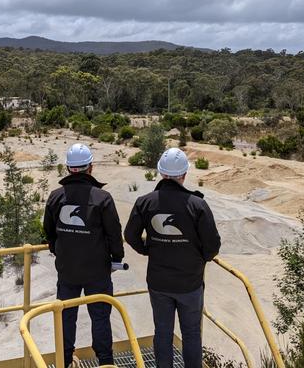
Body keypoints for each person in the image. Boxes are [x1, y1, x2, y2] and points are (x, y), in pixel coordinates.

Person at [124, 147, 221, 368]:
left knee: (163, 332)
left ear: (161, 173)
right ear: (184, 174)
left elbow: (130, 235)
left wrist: (147, 249)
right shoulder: (197, 205)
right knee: (191, 334)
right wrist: (199, 259)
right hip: (190, 283)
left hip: (159, 283)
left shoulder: (145, 202)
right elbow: (212, 246)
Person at [43, 143, 124, 367]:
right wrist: (116, 259)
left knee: (66, 316)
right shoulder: (102, 198)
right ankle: (106, 362)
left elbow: (48, 230)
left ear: (68, 168)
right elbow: (114, 232)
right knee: (100, 316)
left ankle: (66, 360)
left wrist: (56, 250)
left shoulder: (55, 196)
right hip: (97, 270)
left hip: (67, 270)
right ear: (91, 167)